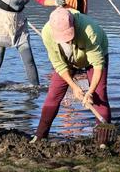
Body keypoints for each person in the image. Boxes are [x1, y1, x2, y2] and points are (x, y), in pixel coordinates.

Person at [34, 8, 110, 141]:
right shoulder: (47, 33)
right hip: (67, 61)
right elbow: (59, 65)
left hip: (94, 58)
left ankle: (103, 140)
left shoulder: (88, 30)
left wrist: (89, 92)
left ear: (73, 25)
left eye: (69, 35)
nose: (67, 41)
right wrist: (74, 87)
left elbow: (98, 65)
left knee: (99, 95)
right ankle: (40, 136)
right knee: (53, 95)